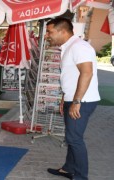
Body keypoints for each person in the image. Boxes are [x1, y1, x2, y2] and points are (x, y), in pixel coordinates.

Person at [45, 17, 100, 180]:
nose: (47, 35)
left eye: (50, 32)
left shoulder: (79, 47)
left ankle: (82, 176)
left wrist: (76, 101)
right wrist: (65, 98)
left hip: (82, 101)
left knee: (74, 139)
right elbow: (70, 76)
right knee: (71, 136)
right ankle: (68, 169)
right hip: (74, 99)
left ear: (62, 31)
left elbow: (87, 73)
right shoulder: (68, 47)